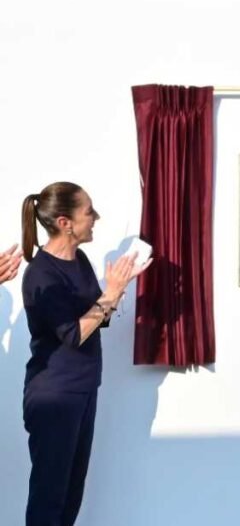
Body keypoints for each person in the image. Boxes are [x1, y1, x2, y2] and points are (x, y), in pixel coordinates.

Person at [20, 182, 151, 526]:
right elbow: (73, 333)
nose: (96, 218)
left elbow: (95, 318)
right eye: (88, 211)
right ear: (65, 222)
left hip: (82, 389)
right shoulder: (41, 275)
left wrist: (116, 291)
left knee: (70, 496)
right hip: (54, 397)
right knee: (50, 497)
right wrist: (111, 293)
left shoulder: (79, 260)